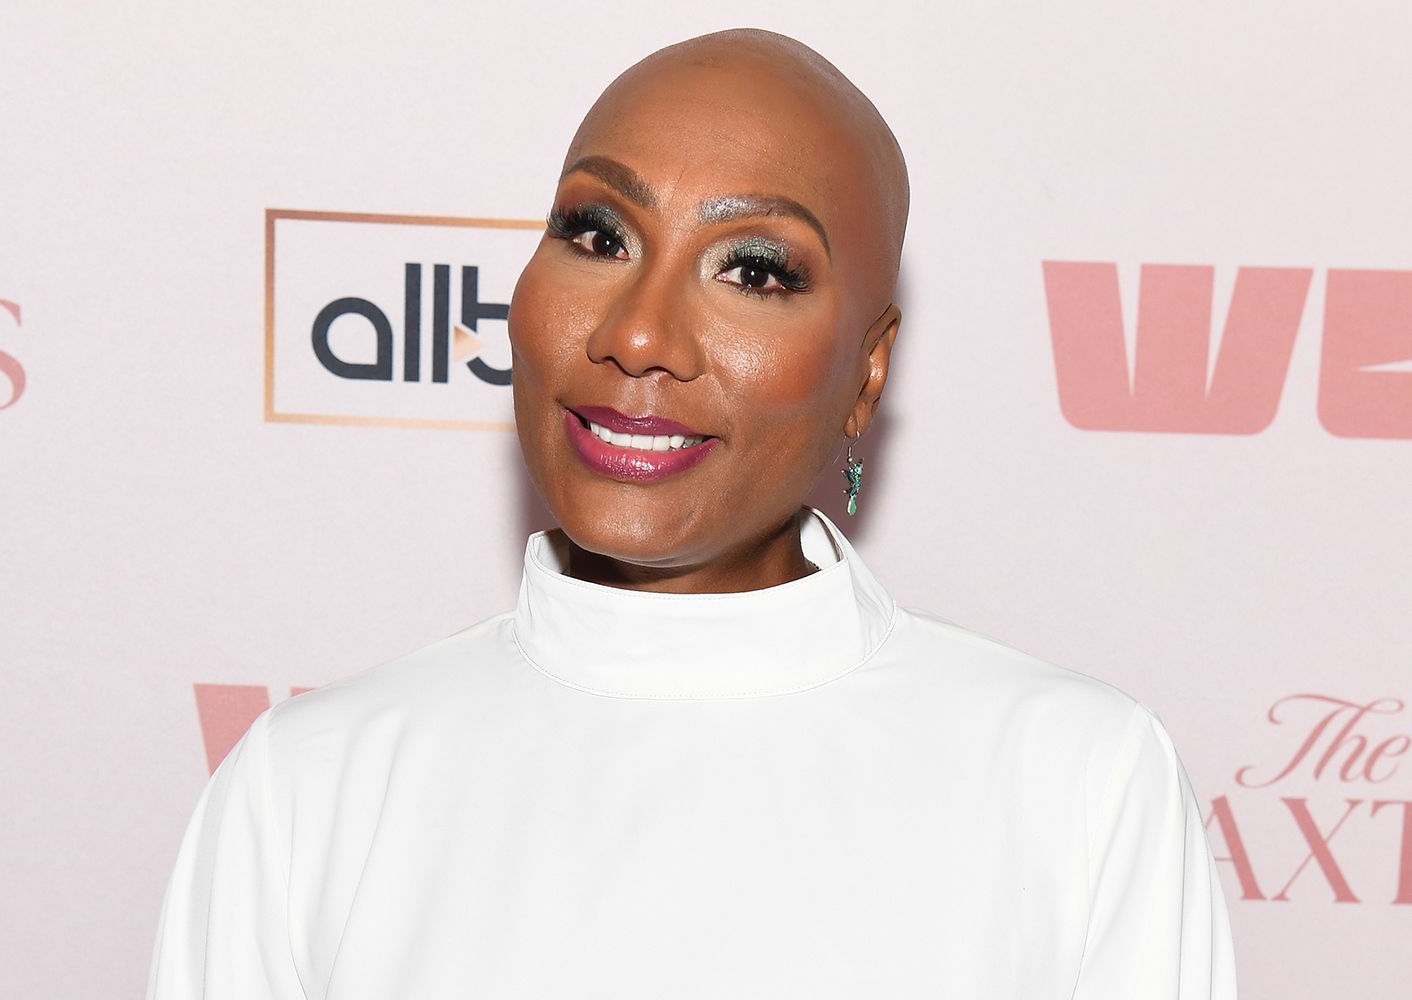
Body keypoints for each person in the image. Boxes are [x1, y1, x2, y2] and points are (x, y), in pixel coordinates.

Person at [148, 28, 1236, 999]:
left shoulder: (1080, 787)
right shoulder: (306, 791)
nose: (638, 334)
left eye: (753, 271)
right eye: (598, 234)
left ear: (866, 371)